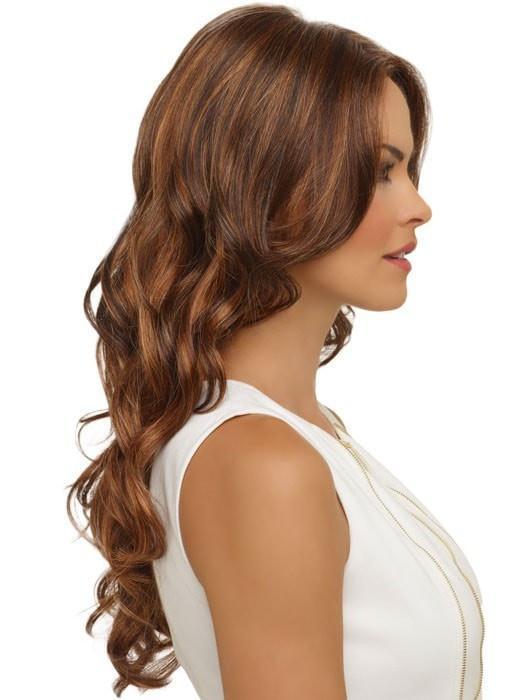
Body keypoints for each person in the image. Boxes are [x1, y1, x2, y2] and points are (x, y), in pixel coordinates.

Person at [67, 4, 484, 699]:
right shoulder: (263, 463)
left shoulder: (297, 437)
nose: (418, 206)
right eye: (379, 171)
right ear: (266, 185)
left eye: (409, 167)